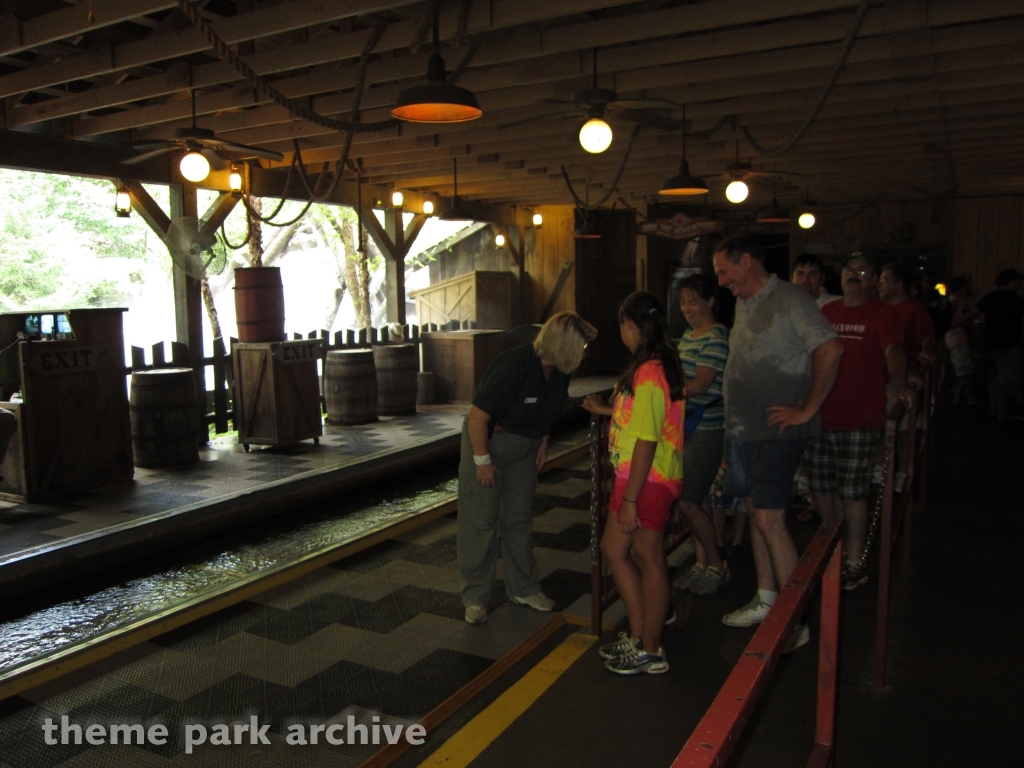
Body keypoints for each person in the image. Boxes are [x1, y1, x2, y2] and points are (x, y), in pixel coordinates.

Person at [712, 235, 843, 651]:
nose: (722, 281)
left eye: (724, 272)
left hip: (775, 433)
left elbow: (831, 348)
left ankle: (795, 620)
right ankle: (769, 600)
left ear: (746, 261)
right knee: (755, 512)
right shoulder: (744, 302)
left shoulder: (789, 298)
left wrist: (806, 408)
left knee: (770, 519)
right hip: (744, 431)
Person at [458, 311, 597, 625]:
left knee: (519, 518)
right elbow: (477, 415)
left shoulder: (560, 372)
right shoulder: (513, 365)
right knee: (481, 521)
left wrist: (543, 441)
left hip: (525, 449)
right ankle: (475, 597)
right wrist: (482, 463)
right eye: (581, 346)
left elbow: (549, 408)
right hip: (490, 444)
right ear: (564, 346)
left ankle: (523, 587)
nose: (584, 353)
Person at [582, 291, 684, 675]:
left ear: (629, 325)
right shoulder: (657, 365)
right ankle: (641, 634)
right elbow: (644, 418)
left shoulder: (649, 371)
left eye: (621, 325)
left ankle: (652, 648)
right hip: (641, 476)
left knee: (648, 557)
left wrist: (630, 500)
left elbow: (647, 437)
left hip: (648, 479)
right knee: (616, 549)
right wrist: (607, 409)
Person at [811, 254, 913, 591]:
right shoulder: (829, 312)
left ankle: (855, 561)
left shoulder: (884, 314)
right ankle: (831, 547)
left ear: (874, 281)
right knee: (821, 487)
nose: (854, 277)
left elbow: (894, 350)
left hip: (860, 417)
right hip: (822, 412)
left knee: (852, 491)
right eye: (848, 271)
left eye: (863, 272)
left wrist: (898, 383)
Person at [670, 273, 732, 596]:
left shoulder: (716, 337)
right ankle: (701, 563)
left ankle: (718, 566)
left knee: (688, 502)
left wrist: (662, 391)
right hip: (687, 427)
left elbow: (702, 384)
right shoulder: (689, 335)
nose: (687, 308)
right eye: (683, 302)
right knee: (700, 499)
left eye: (693, 300)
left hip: (707, 428)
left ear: (710, 300)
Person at [960, 269, 1024, 421]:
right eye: (1018, 281)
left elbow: (971, 315)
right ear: (1011, 281)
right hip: (1010, 343)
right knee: (1007, 379)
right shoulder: (1017, 299)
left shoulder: (989, 298)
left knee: (994, 378)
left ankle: (994, 409)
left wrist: (951, 324)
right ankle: (1002, 413)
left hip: (990, 342)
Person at [946, 277, 978, 406]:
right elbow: (948, 322)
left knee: (961, 368)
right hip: (956, 338)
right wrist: (968, 316)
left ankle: (959, 393)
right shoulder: (954, 301)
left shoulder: (956, 300)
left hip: (956, 337)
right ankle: (964, 396)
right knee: (964, 369)